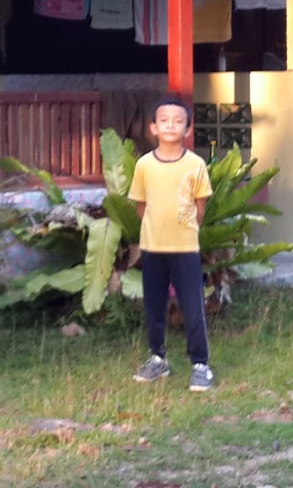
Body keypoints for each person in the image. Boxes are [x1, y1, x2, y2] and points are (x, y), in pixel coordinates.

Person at [129, 97, 215, 392]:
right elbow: (141, 207)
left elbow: (200, 207)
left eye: (178, 121)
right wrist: (157, 228)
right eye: (164, 120)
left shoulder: (195, 164)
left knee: (193, 307)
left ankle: (200, 364)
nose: (170, 125)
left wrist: (184, 229)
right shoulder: (144, 165)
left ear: (188, 129)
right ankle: (157, 358)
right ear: (153, 127)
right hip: (153, 248)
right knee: (154, 307)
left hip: (185, 249)